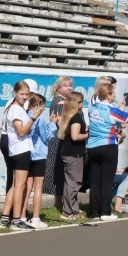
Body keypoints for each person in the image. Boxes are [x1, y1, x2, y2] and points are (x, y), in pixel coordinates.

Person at [86, 79, 128, 221]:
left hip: (92, 147)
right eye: (113, 93)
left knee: (95, 181)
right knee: (107, 180)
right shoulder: (111, 110)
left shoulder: (93, 107)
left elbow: (113, 116)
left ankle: (94, 212)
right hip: (108, 147)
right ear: (108, 95)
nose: (114, 96)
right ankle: (105, 212)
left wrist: (122, 104)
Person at [0, 81, 39, 230]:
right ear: (15, 93)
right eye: (22, 94)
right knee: (20, 186)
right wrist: (33, 118)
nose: (25, 97)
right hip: (20, 150)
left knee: (15, 185)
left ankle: (5, 218)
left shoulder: (18, 108)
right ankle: (16, 220)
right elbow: (21, 131)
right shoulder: (15, 109)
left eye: (27, 94)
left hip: (19, 148)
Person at [23, 93, 57, 227]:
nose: (44, 108)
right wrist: (53, 124)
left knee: (26, 187)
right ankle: (36, 218)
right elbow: (46, 137)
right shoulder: (39, 119)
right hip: (39, 155)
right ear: (38, 105)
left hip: (27, 154)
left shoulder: (25, 116)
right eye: (43, 106)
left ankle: (22, 216)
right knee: (38, 187)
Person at [42, 76, 74, 209]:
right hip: (59, 139)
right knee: (59, 170)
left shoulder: (62, 101)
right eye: (66, 86)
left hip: (59, 138)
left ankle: (59, 202)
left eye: (70, 85)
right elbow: (61, 123)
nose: (69, 88)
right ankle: (59, 202)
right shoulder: (60, 102)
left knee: (60, 171)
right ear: (58, 88)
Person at [57, 92, 88, 220]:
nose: (82, 104)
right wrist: (88, 134)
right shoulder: (75, 118)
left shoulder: (68, 116)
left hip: (68, 152)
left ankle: (71, 209)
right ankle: (68, 211)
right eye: (81, 102)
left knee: (70, 182)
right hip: (73, 154)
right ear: (76, 103)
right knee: (73, 183)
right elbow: (75, 136)